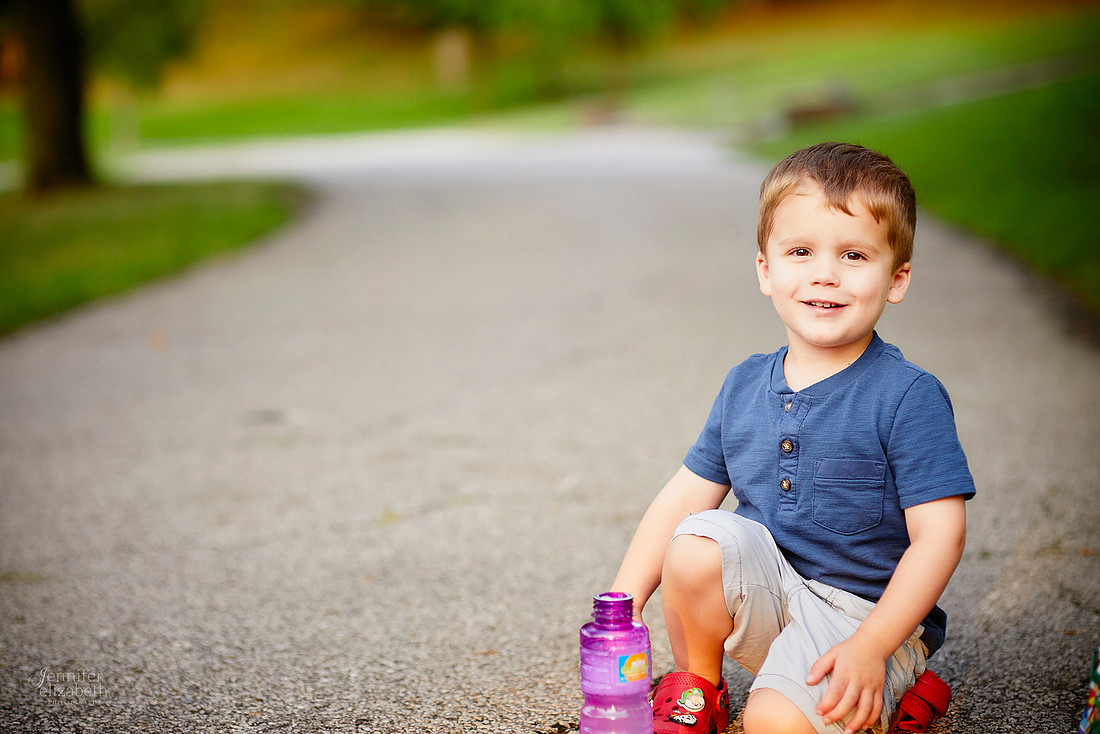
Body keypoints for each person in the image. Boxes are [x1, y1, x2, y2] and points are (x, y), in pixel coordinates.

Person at [610, 142, 975, 734]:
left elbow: (941, 536)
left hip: (866, 622)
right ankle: (697, 694)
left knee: (773, 723)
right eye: (800, 251)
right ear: (765, 269)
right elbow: (683, 498)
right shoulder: (745, 384)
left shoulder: (907, 396)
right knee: (697, 539)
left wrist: (873, 646)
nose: (824, 274)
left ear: (897, 278)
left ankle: (897, 678)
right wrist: (621, 606)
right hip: (774, 596)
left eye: (854, 255)